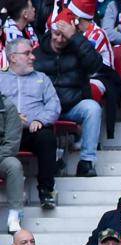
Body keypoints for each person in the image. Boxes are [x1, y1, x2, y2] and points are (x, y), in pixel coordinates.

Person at [33, 15, 103, 177]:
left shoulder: (78, 50)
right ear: (50, 32)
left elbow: (95, 65)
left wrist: (76, 38)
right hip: (45, 108)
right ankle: (51, 161)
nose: (59, 39)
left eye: (64, 36)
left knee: (93, 108)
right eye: (56, 34)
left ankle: (86, 162)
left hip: (72, 104)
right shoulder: (37, 52)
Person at [0, 37, 60, 214]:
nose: (33, 57)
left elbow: (54, 105)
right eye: (27, 53)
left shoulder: (42, 78)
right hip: (4, 133)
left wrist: (40, 120)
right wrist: (11, 117)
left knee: (47, 138)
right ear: (13, 57)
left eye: (32, 53)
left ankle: (46, 191)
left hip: (32, 131)